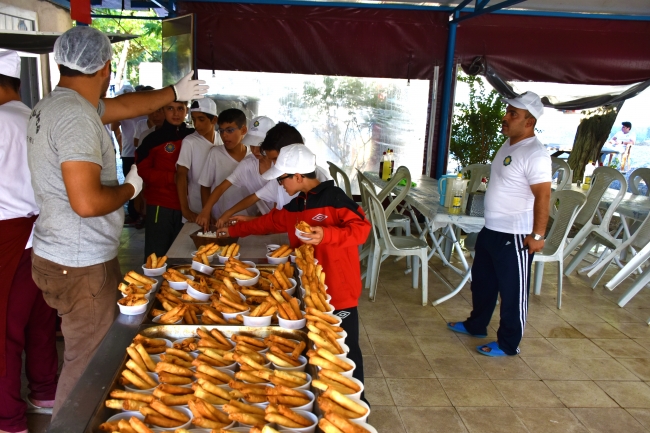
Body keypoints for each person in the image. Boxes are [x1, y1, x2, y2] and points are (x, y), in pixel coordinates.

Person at [26, 26, 208, 417]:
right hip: (79, 260)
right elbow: (88, 203)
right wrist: (130, 189)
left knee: (83, 352)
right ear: (106, 66)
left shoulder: (56, 104)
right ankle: (70, 423)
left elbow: (126, 107)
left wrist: (175, 93)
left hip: (55, 251)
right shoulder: (75, 117)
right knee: (87, 363)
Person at [217, 144, 371, 397]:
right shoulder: (297, 204)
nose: (280, 185)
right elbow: (269, 222)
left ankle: (358, 401)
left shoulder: (335, 199)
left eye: (281, 179)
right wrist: (233, 230)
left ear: (298, 177)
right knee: (317, 345)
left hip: (339, 290)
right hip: (310, 288)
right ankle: (324, 396)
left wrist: (326, 234)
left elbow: (362, 229)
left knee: (344, 347)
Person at [447, 91, 551, 357]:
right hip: (492, 229)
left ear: (529, 121)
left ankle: (508, 344)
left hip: (516, 234)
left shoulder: (535, 154)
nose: (505, 118)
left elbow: (543, 196)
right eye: (507, 112)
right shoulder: (510, 145)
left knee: (512, 293)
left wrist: (537, 235)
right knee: (482, 283)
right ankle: (476, 325)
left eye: (512, 114)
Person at [0, 51, 58, 433]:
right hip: (44, 233)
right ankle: (45, 390)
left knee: (5, 330)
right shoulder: (37, 118)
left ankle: (9, 418)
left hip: (8, 236)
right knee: (40, 319)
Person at [214, 122, 331, 228]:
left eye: (276, 159)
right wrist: (245, 219)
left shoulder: (322, 182)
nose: (275, 165)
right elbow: (277, 218)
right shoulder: (280, 179)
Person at [195, 115, 276, 231]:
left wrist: (248, 219)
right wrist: (206, 211)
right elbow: (222, 187)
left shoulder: (281, 167)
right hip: (265, 222)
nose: (255, 150)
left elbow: (275, 211)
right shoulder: (248, 163)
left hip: (281, 222)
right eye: (252, 145)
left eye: (260, 145)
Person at [136, 100, 195, 259]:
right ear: (163, 110)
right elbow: (142, 171)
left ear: (186, 111)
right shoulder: (152, 139)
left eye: (180, 109)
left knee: (183, 255)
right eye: (170, 108)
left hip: (189, 206)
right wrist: (172, 177)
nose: (176, 113)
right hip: (160, 205)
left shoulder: (192, 136)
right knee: (157, 255)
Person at [197, 108, 253, 221]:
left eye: (230, 130)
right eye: (221, 131)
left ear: (243, 130)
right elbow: (205, 186)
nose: (224, 135)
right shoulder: (215, 154)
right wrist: (207, 213)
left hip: (248, 220)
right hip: (220, 219)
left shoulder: (253, 156)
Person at [176, 98, 222, 222]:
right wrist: (185, 210)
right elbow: (181, 175)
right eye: (194, 119)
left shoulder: (222, 140)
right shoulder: (189, 142)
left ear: (214, 120)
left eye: (201, 119)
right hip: (196, 210)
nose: (196, 125)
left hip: (220, 210)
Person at [111, 85, 146, 225]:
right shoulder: (124, 111)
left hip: (142, 152)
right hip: (128, 152)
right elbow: (113, 126)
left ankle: (143, 213)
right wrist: (120, 140)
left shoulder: (146, 110)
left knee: (144, 185)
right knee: (130, 184)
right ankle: (134, 213)